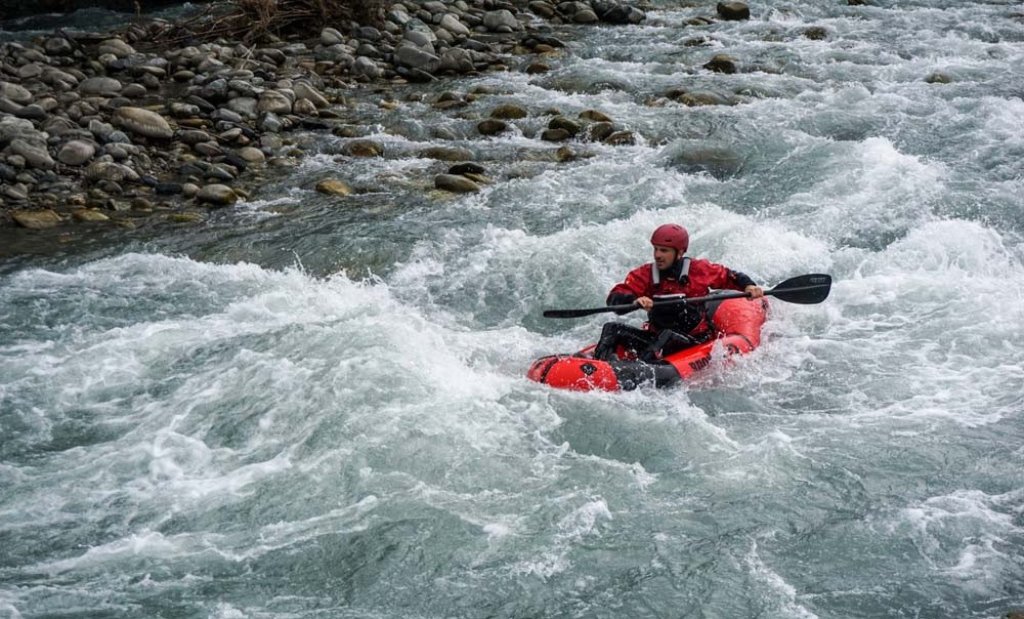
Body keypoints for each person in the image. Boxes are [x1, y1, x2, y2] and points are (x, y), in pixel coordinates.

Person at [592, 223, 764, 362]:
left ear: (680, 253)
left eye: (664, 250)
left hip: (693, 341)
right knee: (612, 328)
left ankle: (643, 369)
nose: (658, 255)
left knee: (668, 335)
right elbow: (615, 298)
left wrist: (749, 286)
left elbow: (730, 276)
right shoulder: (646, 274)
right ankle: (597, 367)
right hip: (656, 337)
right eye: (656, 249)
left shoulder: (698, 270)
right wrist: (634, 300)